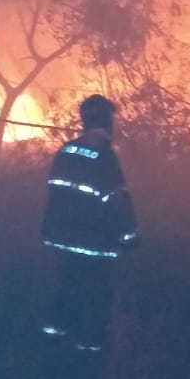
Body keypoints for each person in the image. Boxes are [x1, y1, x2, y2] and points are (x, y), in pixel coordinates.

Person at [39, 94, 140, 353]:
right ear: (107, 122)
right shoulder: (104, 157)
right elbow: (116, 201)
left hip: (62, 238)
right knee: (95, 295)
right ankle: (89, 349)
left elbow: (54, 193)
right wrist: (129, 238)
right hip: (94, 241)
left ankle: (52, 343)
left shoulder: (67, 151)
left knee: (65, 287)